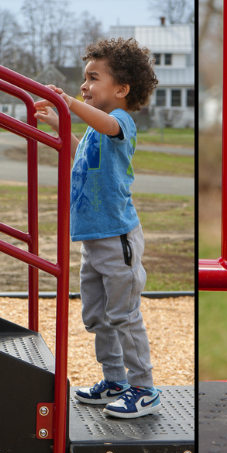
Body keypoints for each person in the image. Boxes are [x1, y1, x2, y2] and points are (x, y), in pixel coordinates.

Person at [34, 38, 162, 417]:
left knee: (123, 315)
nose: (84, 85)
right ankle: (115, 380)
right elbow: (83, 156)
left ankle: (144, 388)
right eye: (84, 78)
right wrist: (59, 124)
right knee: (96, 315)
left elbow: (106, 125)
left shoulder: (121, 122)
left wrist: (70, 104)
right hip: (92, 240)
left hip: (117, 238)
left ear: (121, 89)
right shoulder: (95, 130)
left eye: (93, 78)